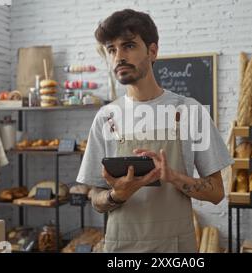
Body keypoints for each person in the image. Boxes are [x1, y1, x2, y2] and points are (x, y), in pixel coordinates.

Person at [76, 9, 232, 253]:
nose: (119, 57)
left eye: (128, 46)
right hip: (121, 248)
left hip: (176, 248)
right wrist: (116, 195)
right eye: (112, 49)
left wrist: (175, 177)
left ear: (152, 51)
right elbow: (94, 195)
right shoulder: (106, 118)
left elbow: (217, 193)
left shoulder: (190, 111)